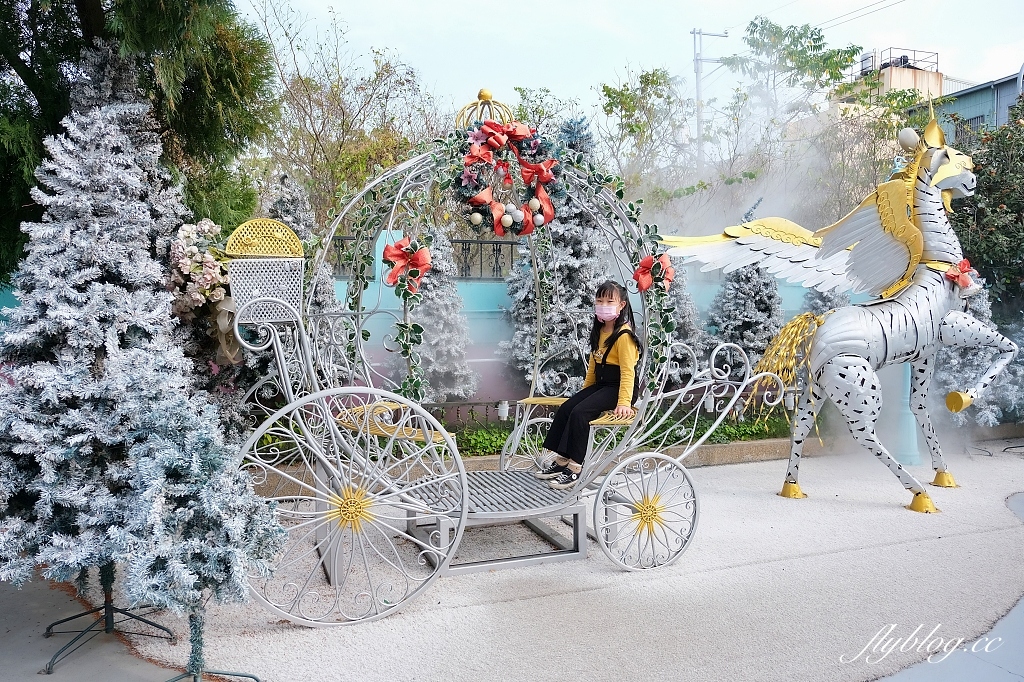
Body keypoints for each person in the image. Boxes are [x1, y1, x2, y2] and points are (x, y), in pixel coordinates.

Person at [535, 280, 641, 490]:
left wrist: (624, 402)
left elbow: (628, 372)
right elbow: (593, 368)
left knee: (581, 413)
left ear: (622, 305)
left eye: (610, 301)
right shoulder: (599, 330)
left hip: (618, 387)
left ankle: (575, 468)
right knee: (568, 408)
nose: (604, 304)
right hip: (602, 384)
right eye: (600, 300)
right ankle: (562, 460)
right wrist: (584, 395)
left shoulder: (624, 336)